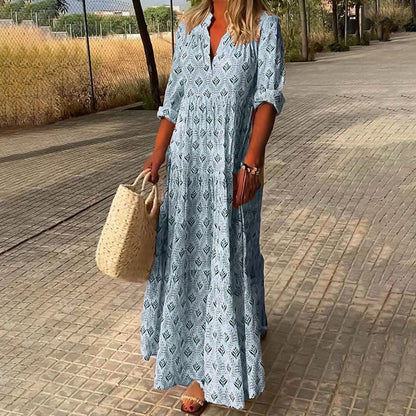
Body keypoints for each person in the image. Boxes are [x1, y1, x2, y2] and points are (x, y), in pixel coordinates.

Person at [141, 0, 286, 413]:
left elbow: (267, 98)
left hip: (234, 164)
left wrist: (252, 162)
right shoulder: (189, 27)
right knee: (192, 258)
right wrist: (158, 153)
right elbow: (175, 97)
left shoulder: (264, 27)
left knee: (236, 253)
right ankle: (199, 368)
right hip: (188, 168)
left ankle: (231, 348)